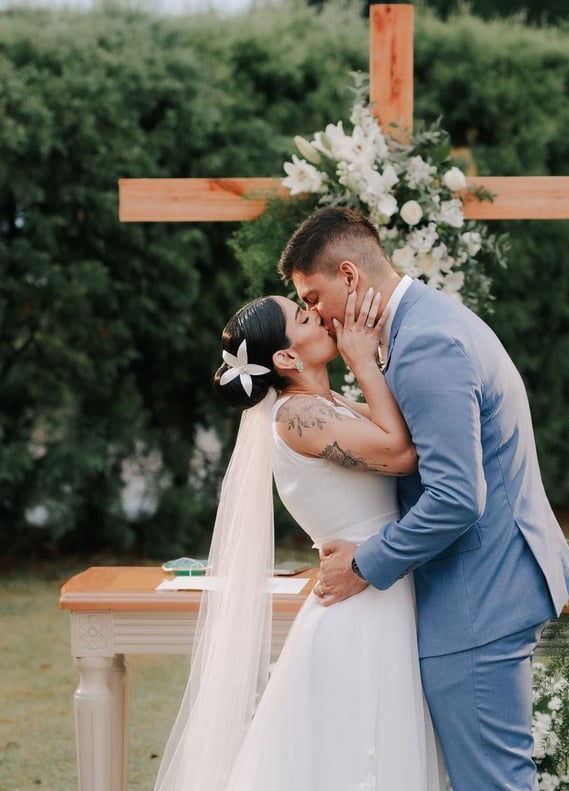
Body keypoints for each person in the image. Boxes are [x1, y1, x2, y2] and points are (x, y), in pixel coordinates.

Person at [277, 206, 569, 791]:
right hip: (486, 584)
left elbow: (456, 497)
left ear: (349, 276)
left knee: (492, 783)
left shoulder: (425, 343)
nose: (316, 316)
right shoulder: (426, 320)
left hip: (478, 597)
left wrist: (363, 564)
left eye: (313, 298)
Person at [154, 290, 443, 791]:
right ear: (287, 357)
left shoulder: (325, 405)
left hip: (376, 587)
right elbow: (400, 454)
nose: (319, 317)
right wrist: (361, 361)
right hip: (360, 605)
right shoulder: (296, 416)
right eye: (303, 317)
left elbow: (397, 428)